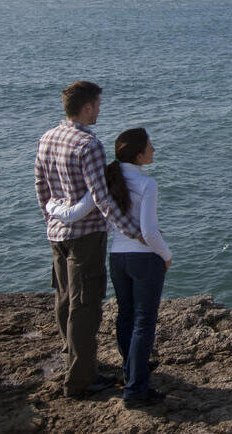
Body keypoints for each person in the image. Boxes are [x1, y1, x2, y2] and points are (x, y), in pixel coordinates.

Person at [34, 81, 143, 398]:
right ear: (86, 108)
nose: (99, 109)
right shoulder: (88, 146)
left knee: (65, 300)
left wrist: (51, 222)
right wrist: (132, 231)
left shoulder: (47, 138)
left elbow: (41, 188)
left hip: (58, 234)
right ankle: (80, 380)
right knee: (85, 306)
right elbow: (102, 198)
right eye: (97, 105)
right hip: (85, 237)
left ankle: (75, 362)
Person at [48, 128, 172, 407]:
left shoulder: (107, 178)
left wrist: (52, 207)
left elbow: (78, 211)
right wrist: (166, 255)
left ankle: (130, 373)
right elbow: (149, 233)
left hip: (117, 257)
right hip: (144, 258)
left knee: (125, 316)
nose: (154, 149)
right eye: (151, 146)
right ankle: (137, 388)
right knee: (144, 322)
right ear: (139, 154)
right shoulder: (147, 184)